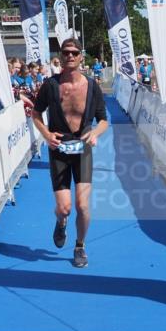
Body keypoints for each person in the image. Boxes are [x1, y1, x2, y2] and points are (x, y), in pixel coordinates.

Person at [31, 37, 109, 269]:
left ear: (81, 56)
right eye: (66, 52)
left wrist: (95, 133)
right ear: (61, 56)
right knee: (64, 208)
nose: (70, 56)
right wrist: (46, 134)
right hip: (59, 150)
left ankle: (80, 246)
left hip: (83, 150)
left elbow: (103, 120)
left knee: (82, 205)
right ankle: (61, 221)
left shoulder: (92, 86)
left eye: (74, 52)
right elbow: (36, 113)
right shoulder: (51, 85)